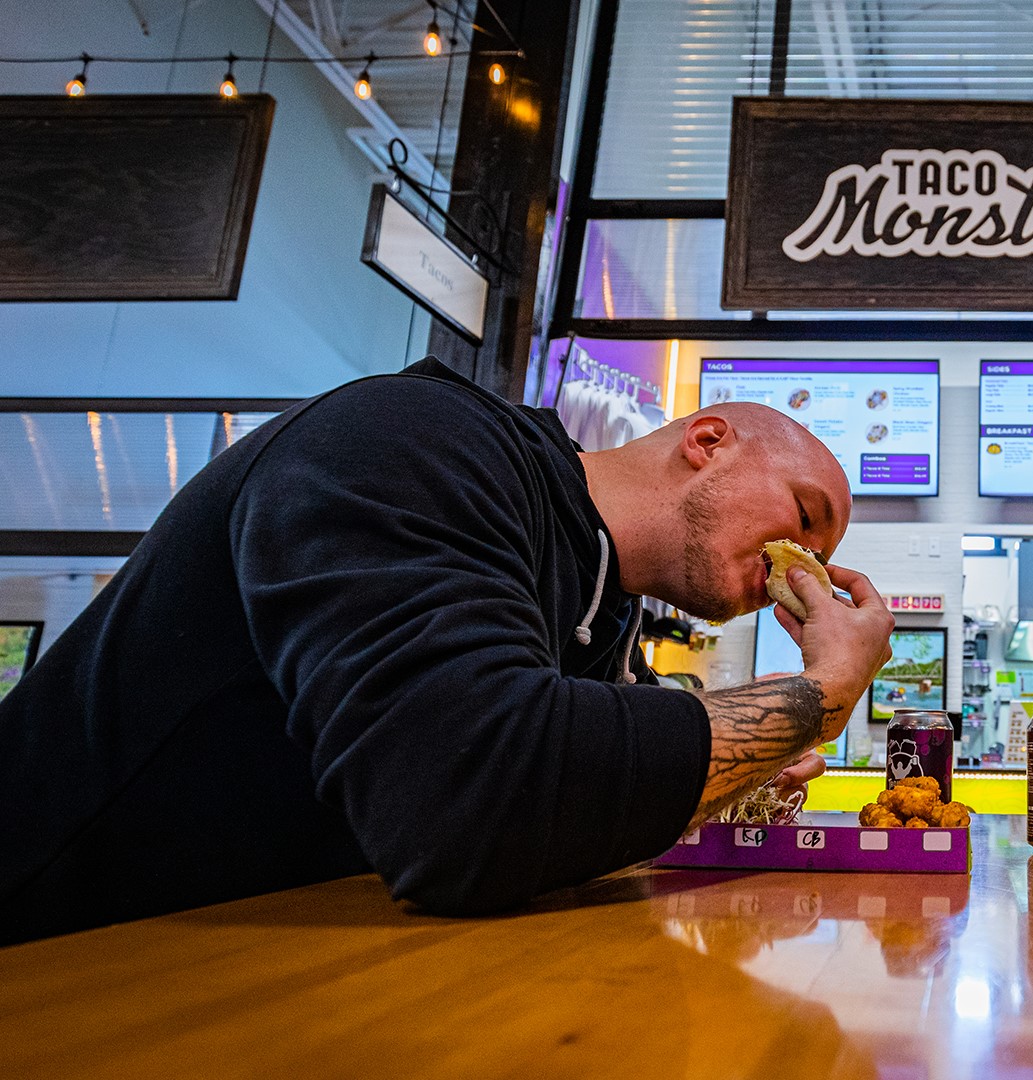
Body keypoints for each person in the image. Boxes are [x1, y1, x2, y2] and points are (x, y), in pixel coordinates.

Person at [0, 358, 894, 943]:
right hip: (55, 944)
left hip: (263, 961)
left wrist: (736, 765)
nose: (805, 565)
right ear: (707, 443)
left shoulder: (604, 610)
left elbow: (562, 808)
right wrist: (819, 694)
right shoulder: (416, 439)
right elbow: (473, 796)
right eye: (805, 516)